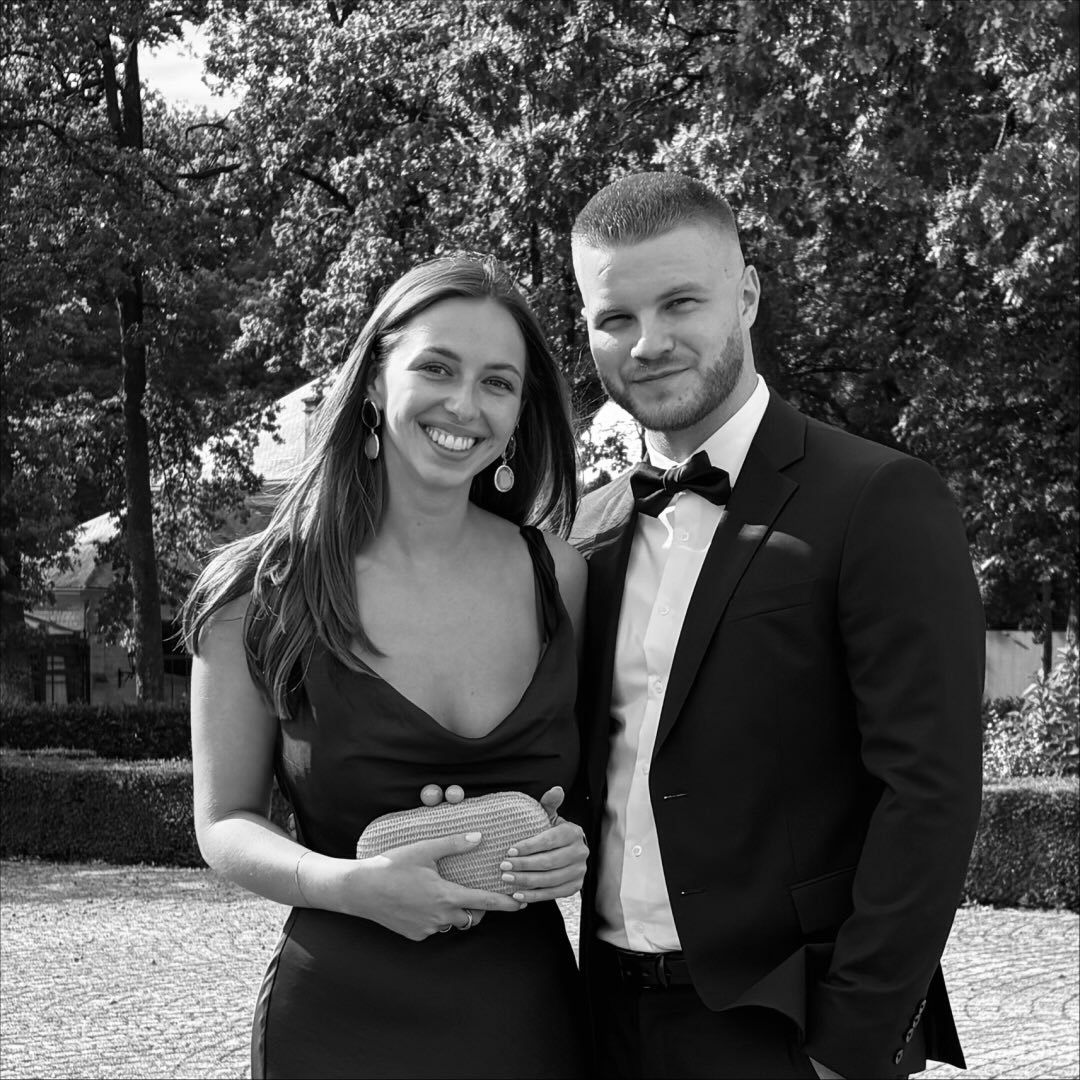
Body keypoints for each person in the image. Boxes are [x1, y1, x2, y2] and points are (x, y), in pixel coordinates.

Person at [567, 172, 985, 1079]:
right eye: (615, 318)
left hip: (790, 1028)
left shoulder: (879, 498)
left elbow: (930, 793)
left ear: (748, 294)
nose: (649, 343)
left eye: (681, 302)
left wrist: (849, 1047)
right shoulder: (584, 533)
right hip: (604, 1026)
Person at [182, 253, 590, 1079]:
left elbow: (589, 791)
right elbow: (223, 823)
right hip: (338, 1024)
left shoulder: (561, 575)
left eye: (497, 382)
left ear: (519, 413)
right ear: (374, 378)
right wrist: (346, 885)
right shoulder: (258, 591)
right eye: (437, 367)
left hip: (528, 1021)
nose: (464, 404)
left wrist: (569, 844)